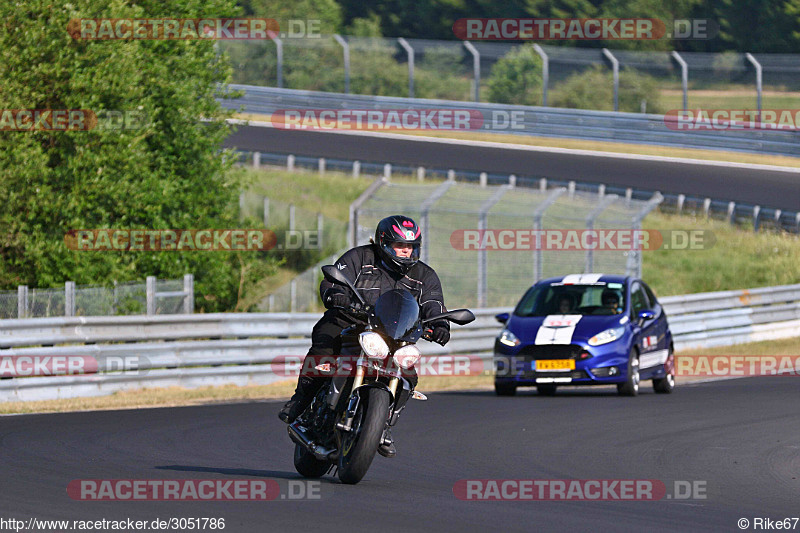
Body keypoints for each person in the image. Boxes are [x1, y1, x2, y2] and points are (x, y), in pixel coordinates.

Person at [278, 215, 450, 457]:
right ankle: (301, 400)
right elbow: (333, 280)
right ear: (383, 242)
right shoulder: (360, 257)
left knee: (409, 375)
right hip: (351, 321)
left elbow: (434, 303)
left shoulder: (425, 275)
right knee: (324, 345)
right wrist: (335, 295)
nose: (405, 252)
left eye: (410, 247)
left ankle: (383, 424)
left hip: (395, 335)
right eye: (400, 246)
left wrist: (440, 325)